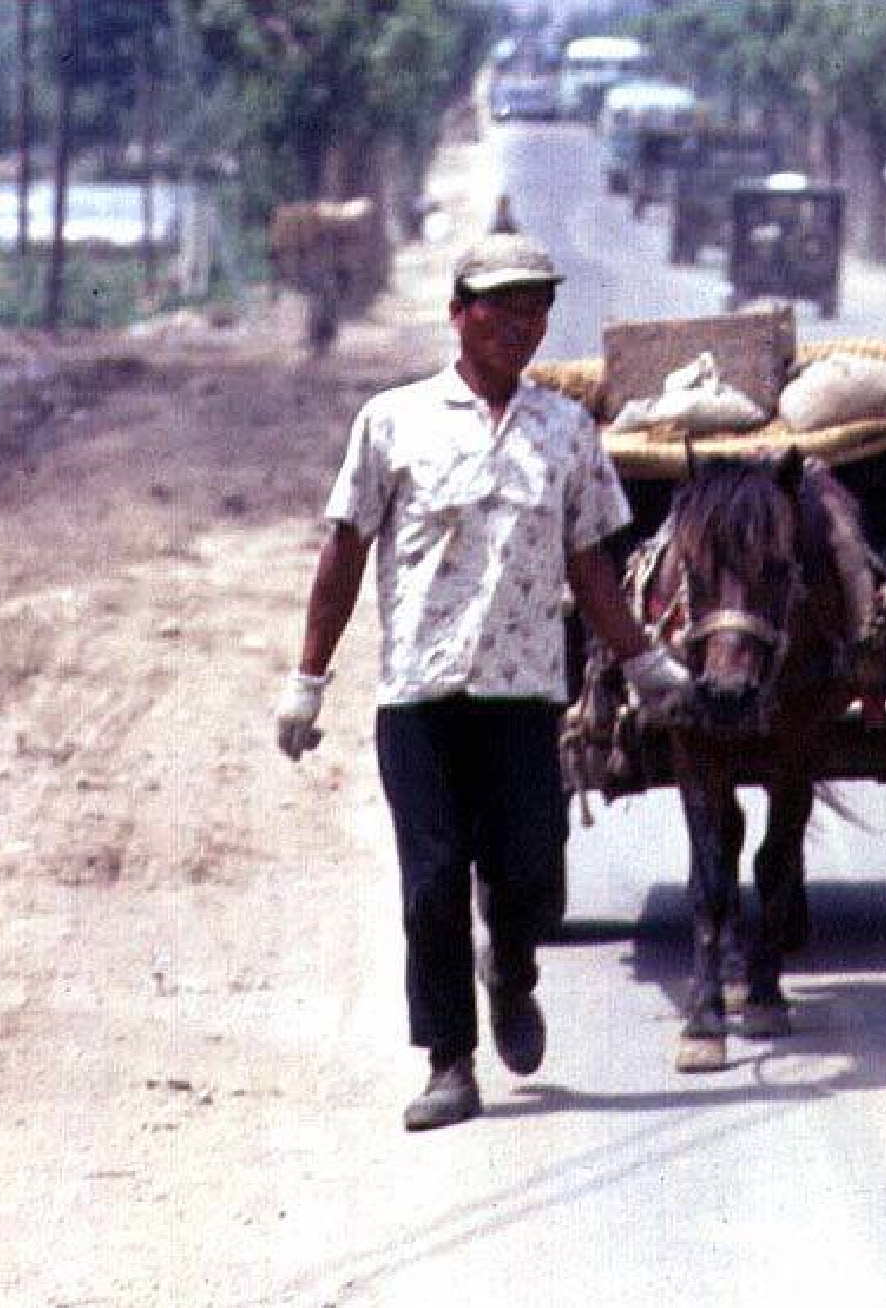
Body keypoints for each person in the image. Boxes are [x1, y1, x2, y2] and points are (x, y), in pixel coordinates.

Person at [273, 232, 692, 1132]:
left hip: (524, 693)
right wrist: (308, 678)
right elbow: (344, 552)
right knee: (431, 883)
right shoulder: (393, 422)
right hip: (419, 695)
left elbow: (590, 565)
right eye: (500, 307)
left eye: (535, 309)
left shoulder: (567, 431)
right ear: (458, 314)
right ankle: (450, 1063)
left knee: (531, 869)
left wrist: (644, 660)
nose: (519, 325)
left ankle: (511, 968)